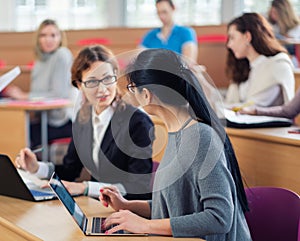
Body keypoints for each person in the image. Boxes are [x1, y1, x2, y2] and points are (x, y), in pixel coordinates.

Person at [98, 49, 251, 240]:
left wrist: (145, 225)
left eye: (131, 88)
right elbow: (174, 205)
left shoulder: (201, 138)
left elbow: (219, 217)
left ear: (146, 94)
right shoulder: (177, 133)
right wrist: (127, 206)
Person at [15, 45, 154, 200]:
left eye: (108, 79)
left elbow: (139, 186)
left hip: (129, 210)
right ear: (80, 85)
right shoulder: (83, 119)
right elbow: (70, 169)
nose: (102, 89)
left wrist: (85, 188)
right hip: (97, 205)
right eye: (92, 82)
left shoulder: (137, 123)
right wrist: (36, 168)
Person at [4, 19, 74, 148]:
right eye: (43, 35)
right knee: (10, 127)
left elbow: (58, 94)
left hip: (61, 121)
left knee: (19, 134)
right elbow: (37, 94)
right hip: (42, 119)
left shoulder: (62, 55)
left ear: (60, 38)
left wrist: (23, 96)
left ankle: (27, 167)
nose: (48, 39)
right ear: (38, 39)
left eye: (53, 35)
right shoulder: (39, 62)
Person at [225, 12, 295, 110]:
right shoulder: (246, 67)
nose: (229, 45)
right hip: (241, 123)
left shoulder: (277, 65)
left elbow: (253, 106)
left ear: (247, 37)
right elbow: (230, 103)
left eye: (232, 38)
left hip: (268, 124)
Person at [268, 0, 300, 66]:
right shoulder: (274, 25)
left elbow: (293, 43)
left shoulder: (296, 27)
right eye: (271, 12)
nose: (272, 15)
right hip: (278, 56)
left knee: (276, 37)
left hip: (292, 57)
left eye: (275, 13)